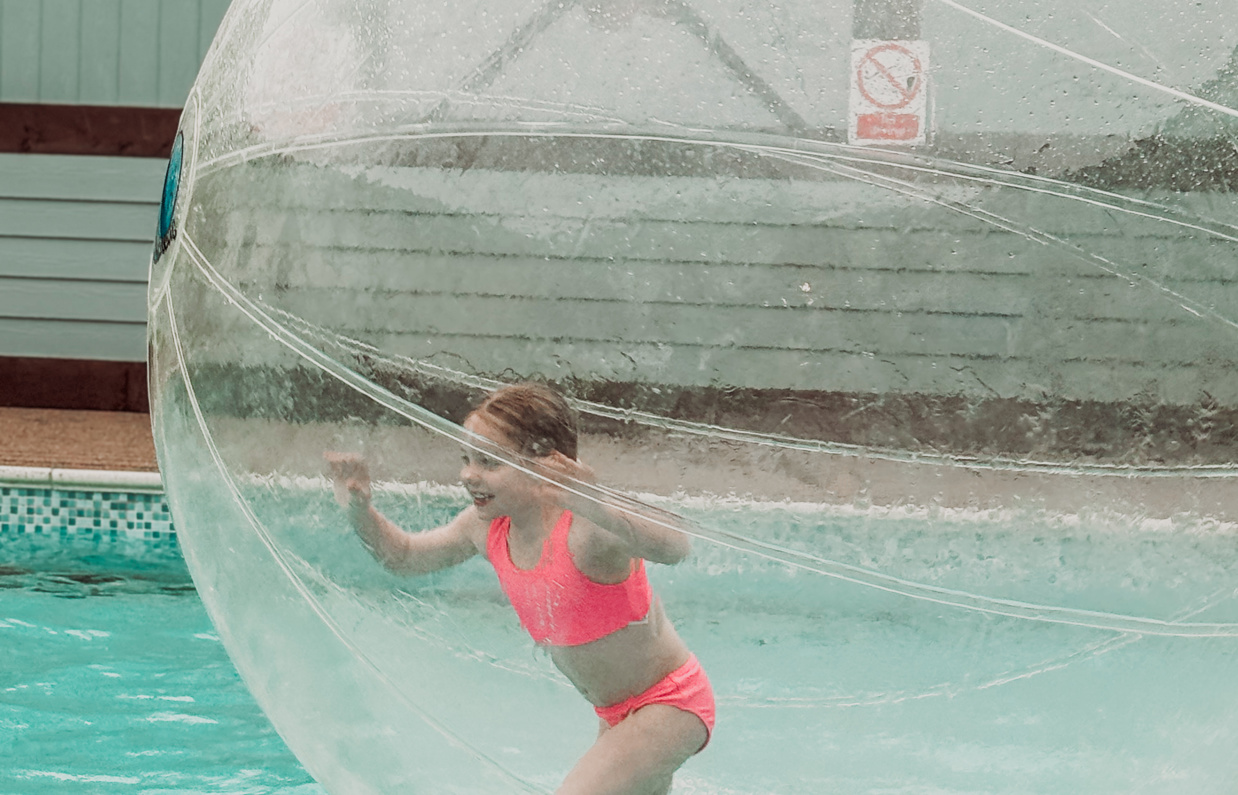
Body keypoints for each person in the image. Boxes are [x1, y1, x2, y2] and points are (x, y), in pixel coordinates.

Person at [325, 383, 714, 795]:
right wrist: (360, 513)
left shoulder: (584, 530)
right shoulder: (486, 529)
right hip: (614, 714)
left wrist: (594, 502)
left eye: (489, 462)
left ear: (547, 465)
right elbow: (404, 557)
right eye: (467, 459)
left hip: (669, 702)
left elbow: (677, 547)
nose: (469, 475)